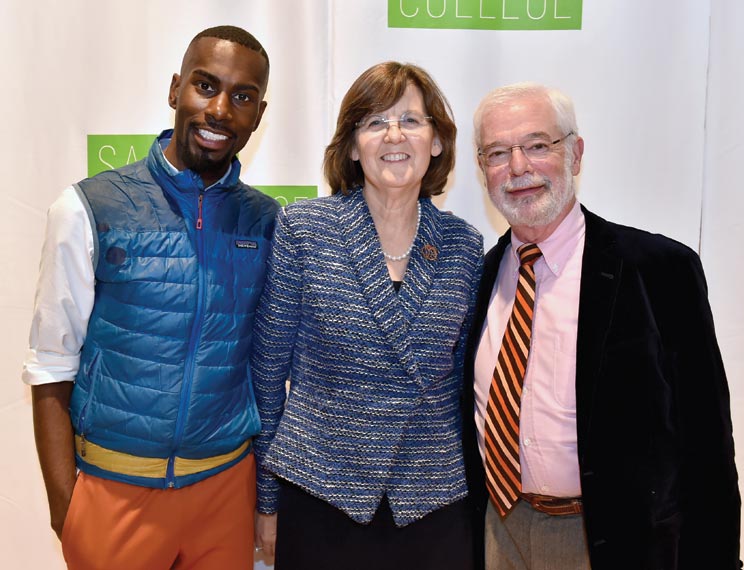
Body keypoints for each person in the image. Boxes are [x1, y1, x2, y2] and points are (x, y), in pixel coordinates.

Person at [22, 25, 279, 570]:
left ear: (258, 114)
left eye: (242, 97)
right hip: (113, 494)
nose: (219, 111)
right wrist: (66, 511)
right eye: (205, 86)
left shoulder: (269, 221)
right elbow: (50, 368)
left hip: (226, 495)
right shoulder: (88, 208)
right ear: (174, 89)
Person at [462, 82, 742, 570]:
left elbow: (708, 441)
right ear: (482, 168)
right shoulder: (479, 278)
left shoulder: (658, 269)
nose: (519, 168)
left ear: (575, 153)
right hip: (498, 531)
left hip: (611, 539)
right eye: (498, 153)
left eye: (537, 145)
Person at [251, 61, 483, 569]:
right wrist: (265, 502)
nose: (393, 135)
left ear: (437, 142)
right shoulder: (305, 229)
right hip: (322, 497)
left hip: (432, 502)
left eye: (411, 121)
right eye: (375, 122)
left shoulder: (465, 246)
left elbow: (465, 387)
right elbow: (268, 376)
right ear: (353, 146)